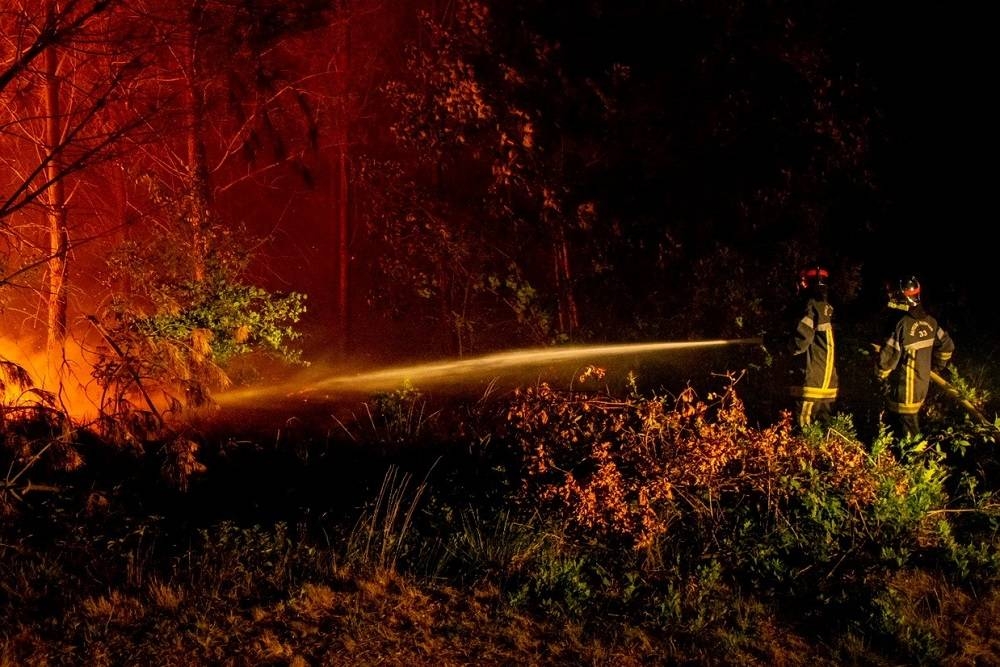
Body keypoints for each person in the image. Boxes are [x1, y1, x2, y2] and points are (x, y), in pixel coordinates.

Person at [874, 275, 955, 438]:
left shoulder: (901, 324)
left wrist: (880, 378)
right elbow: (947, 346)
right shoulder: (931, 322)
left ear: (902, 297)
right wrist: (936, 367)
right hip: (921, 388)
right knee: (898, 430)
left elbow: (888, 359)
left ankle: (915, 454)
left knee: (908, 434)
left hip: (903, 390)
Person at [767, 265, 839, 429]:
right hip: (829, 385)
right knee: (823, 434)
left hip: (810, 383)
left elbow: (800, 342)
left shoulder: (810, 305)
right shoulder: (829, 307)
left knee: (803, 433)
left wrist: (776, 345)